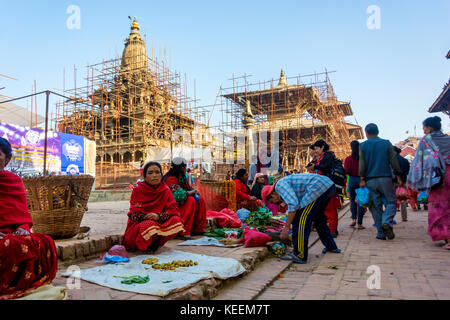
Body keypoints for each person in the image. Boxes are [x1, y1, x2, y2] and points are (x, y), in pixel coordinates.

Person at [0, 137, 58, 300]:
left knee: (45, 242)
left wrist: (23, 228)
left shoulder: (15, 181)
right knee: (7, 247)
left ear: (8, 159)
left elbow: (22, 214)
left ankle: (23, 282)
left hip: (12, 234)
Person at [263, 173, 341, 264]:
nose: (276, 203)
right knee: (319, 220)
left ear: (272, 194)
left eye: (272, 201)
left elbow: (294, 205)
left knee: (301, 220)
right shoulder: (283, 185)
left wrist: (286, 228)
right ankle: (331, 246)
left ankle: (299, 254)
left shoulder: (279, 186)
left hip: (317, 187)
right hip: (328, 186)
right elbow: (296, 202)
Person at [123, 161, 185, 252]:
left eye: (157, 172)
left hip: (158, 221)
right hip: (139, 227)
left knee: (177, 221)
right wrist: (147, 217)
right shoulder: (137, 191)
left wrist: (158, 216)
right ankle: (144, 247)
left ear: (161, 175)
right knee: (149, 225)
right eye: (150, 173)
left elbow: (173, 211)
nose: (154, 175)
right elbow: (133, 215)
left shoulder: (165, 190)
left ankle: (156, 244)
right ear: (144, 176)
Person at [407, 116, 449, 250]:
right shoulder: (448, 139)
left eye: (424, 127)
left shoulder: (426, 141)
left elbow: (419, 161)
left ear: (430, 127)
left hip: (437, 179)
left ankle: (446, 236)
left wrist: (415, 179)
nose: (423, 130)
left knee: (439, 207)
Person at [359, 123, 402, 240]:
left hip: (370, 180)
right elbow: (394, 161)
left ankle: (381, 233)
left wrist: (362, 178)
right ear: (377, 131)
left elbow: (362, 164)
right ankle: (387, 221)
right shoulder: (386, 143)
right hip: (385, 178)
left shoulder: (362, 146)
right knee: (391, 202)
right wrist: (398, 175)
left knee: (375, 207)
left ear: (366, 133)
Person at [163, 157, 206, 239]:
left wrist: (194, 191)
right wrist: (190, 193)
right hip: (171, 205)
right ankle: (183, 231)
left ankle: (198, 229)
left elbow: (187, 187)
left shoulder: (182, 178)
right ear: (181, 168)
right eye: (184, 167)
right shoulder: (170, 179)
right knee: (190, 200)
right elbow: (178, 196)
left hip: (181, 201)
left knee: (201, 199)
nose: (186, 169)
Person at [311, 140, 340, 237]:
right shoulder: (322, 156)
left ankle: (333, 230)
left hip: (328, 185)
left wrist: (315, 165)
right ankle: (331, 229)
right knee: (326, 209)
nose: (316, 151)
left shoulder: (328, 155)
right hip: (323, 186)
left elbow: (325, 167)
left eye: (317, 148)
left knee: (330, 208)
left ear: (322, 147)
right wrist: (314, 161)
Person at [344, 140, 365, 229]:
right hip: (361, 180)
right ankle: (360, 223)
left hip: (351, 180)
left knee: (352, 201)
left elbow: (346, 171)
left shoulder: (348, 159)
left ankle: (353, 219)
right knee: (361, 202)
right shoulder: (363, 158)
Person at [393, 146, 411, 221]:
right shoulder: (405, 160)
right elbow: (408, 171)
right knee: (403, 199)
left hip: (393, 182)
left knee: (392, 200)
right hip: (403, 181)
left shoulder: (391, 160)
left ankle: (391, 218)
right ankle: (404, 217)